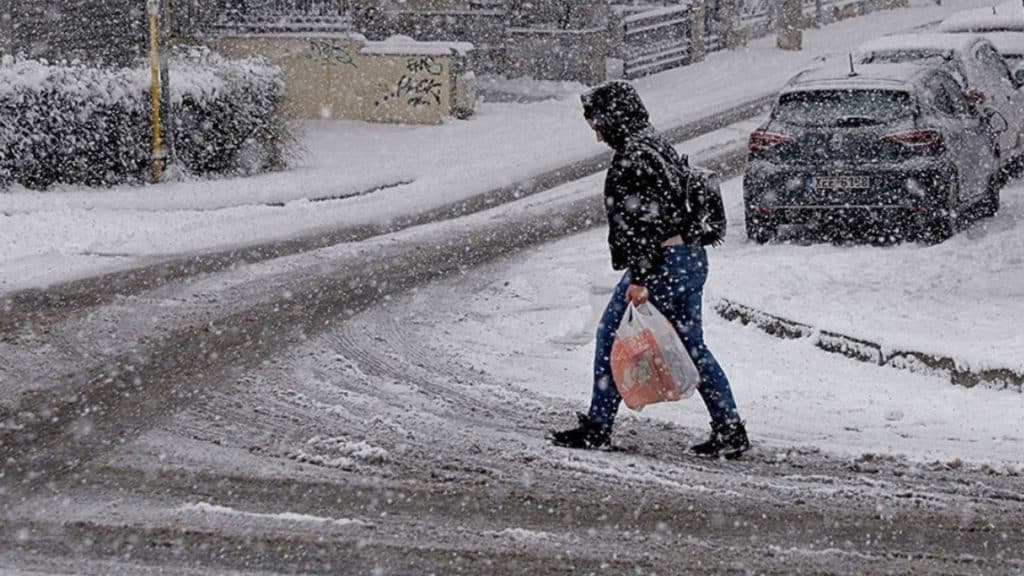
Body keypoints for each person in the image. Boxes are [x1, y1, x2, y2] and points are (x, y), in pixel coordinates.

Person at [550, 80, 750, 459]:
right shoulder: (655, 144)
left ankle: (598, 426)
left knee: (611, 335)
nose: (597, 135)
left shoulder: (634, 155)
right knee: (691, 346)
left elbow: (644, 222)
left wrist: (640, 278)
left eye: (597, 125)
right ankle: (729, 428)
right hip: (689, 259)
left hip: (661, 264)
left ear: (613, 118)